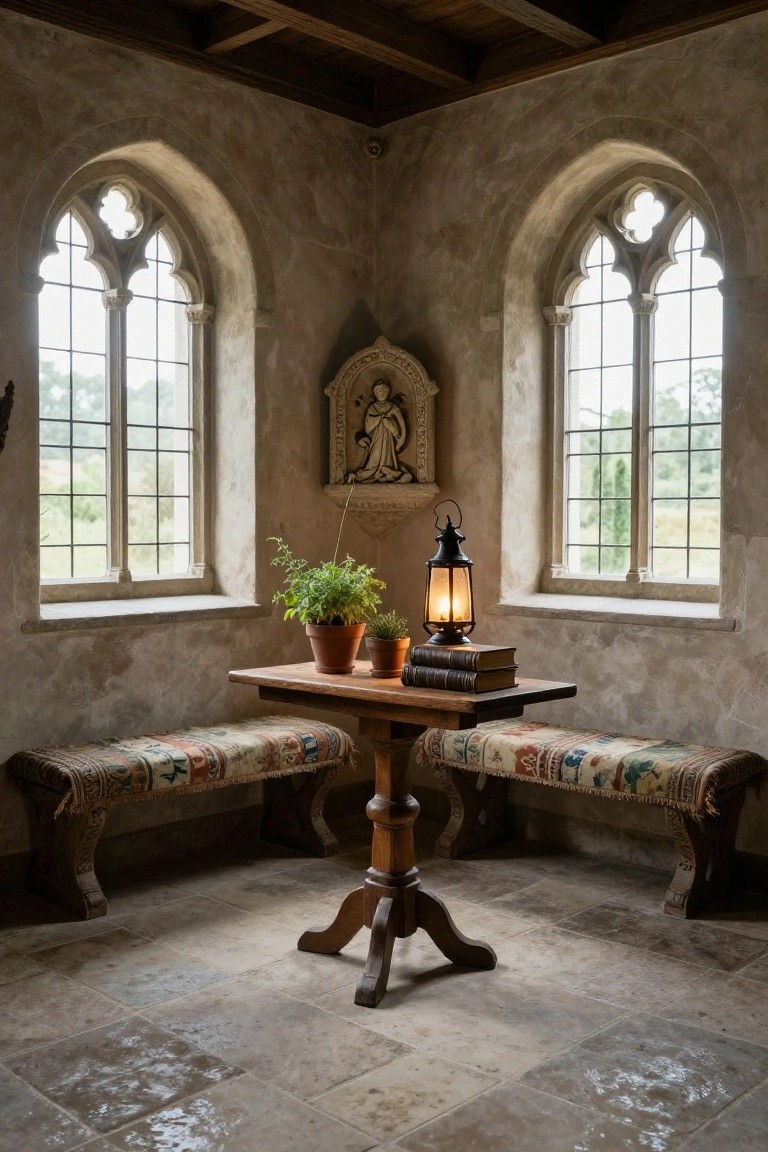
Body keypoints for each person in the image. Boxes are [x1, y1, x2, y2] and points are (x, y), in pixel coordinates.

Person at [349, 379, 412, 483]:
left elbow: (401, 425)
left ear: (388, 392)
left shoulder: (393, 407)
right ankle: (372, 472)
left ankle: (388, 472)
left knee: (389, 458)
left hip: (389, 439)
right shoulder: (372, 408)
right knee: (375, 457)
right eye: (378, 392)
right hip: (376, 438)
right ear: (375, 393)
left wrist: (393, 429)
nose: (381, 394)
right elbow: (367, 427)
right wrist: (378, 419)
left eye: (383, 391)